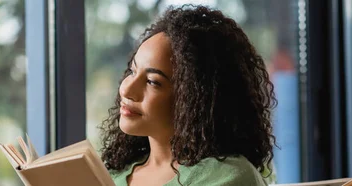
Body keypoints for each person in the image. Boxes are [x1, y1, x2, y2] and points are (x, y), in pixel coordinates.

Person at [100, 5, 276, 186]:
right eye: (132, 71)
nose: (126, 90)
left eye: (152, 81)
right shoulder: (110, 175)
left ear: (194, 98)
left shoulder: (227, 177)